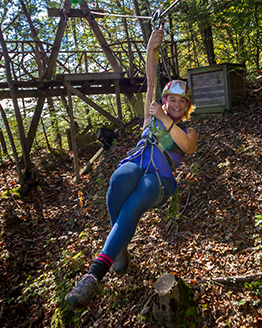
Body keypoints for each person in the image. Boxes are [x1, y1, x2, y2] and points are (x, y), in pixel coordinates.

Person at [66, 28, 200, 309]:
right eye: (171, 99)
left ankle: (94, 274)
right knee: (119, 179)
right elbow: (151, 80)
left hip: (159, 179)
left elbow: (187, 147)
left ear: (187, 105)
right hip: (136, 163)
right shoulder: (152, 114)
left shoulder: (189, 129)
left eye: (181, 101)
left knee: (137, 199)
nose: (175, 104)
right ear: (164, 100)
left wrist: (164, 118)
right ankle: (120, 247)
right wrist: (151, 49)